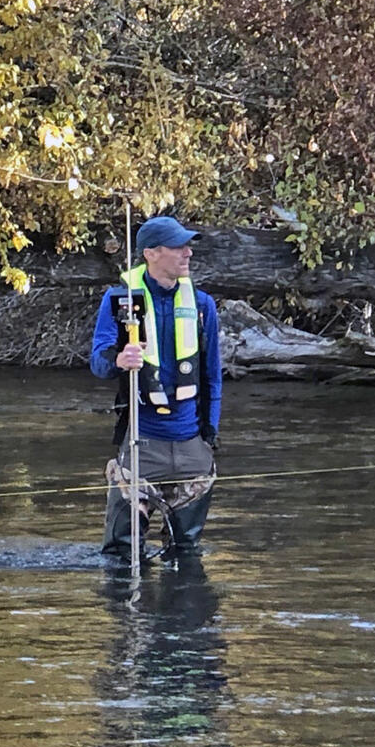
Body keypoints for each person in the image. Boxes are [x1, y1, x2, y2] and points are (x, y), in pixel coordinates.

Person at [90, 216, 221, 560]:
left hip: (192, 446)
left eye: (187, 246)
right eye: (178, 246)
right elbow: (98, 361)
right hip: (141, 444)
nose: (188, 253)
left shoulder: (203, 305)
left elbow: (212, 379)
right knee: (122, 554)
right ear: (151, 253)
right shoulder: (120, 300)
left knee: (186, 553)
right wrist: (120, 359)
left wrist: (209, 437)